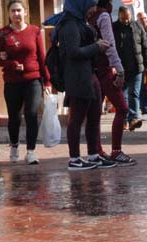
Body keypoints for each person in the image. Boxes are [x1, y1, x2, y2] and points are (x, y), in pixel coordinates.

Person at [52, 0, 116, 170]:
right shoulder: (70, 24)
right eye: (91, 5)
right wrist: (96, 47)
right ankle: (74, 158)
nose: (93, 10)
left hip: (89, 74)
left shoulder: (81, 22)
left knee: (94, 116)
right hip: (77, 77)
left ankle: (94, 154)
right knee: (77, 119)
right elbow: (73, 52)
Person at [0, 0, 51, 165]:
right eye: (13, 11)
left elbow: (42, 57)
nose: (16, 14)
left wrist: (47, 81)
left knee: (31, 114)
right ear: (9, 13)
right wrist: (10, 63)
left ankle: (31, 151)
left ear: (25, 12)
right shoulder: (3, 33)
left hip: (33, 79)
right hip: (12, 81)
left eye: (19, 10)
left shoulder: (35, 31)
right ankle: (14, 146)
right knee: (14, 117)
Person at [89, 0, 136, 165]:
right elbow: (110, 45)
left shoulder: (86, 15)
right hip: (104, 69)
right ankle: (115, 151)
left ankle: (97, 151)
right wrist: (120, 69)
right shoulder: (103, 15)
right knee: (122, 108)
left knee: (94, 113)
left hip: (89, 69)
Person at [113, 6, 147, 131]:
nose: (126, 21)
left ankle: (133, 119)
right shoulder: (114, 28)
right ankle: (123, 120)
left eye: (128, 18)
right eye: (123, 18)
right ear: (119, 16)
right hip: (120, 68)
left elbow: (145, 46)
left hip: (136, 66)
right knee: (122, 95)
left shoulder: (137, 26)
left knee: (134, 93)